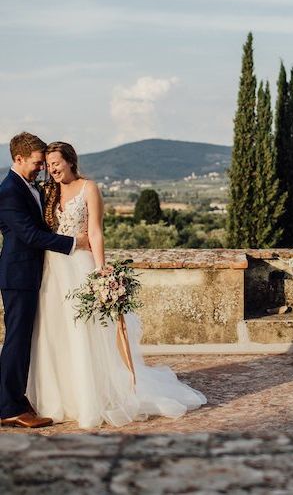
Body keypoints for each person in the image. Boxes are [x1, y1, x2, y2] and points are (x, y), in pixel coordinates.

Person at [26, 141, 206, 429]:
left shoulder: (89, 188)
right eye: (48, 165)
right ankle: (58, 397)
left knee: (83, 333)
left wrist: (101, 271)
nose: (52, 169)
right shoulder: (48, 191)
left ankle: (90, 397)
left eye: (56, 163)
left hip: (80, 268)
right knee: (53, 333)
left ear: (71, 161)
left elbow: (96, 232)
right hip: (52, 270)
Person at [0, 132, 90, 428]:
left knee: (28, 340)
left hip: (35, 274)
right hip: (18, 275)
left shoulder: (30, 187)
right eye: (37, 163)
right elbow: (29, 235)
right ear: (18, 159)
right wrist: (74, 243)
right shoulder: (9, 191)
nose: (41, 168)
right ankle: (9, 408)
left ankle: (17, 397)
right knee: (16, 340)